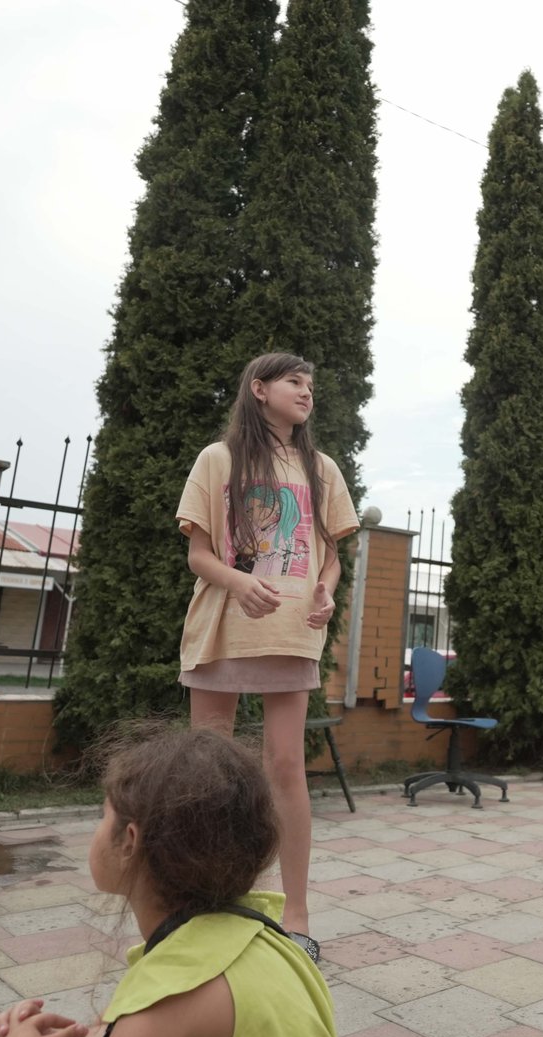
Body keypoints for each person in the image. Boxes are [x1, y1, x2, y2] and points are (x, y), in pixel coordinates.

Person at [0, 728, 341, 1037]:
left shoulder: (166, 990)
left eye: (103, 814)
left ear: (130, 841)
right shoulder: (270, 940)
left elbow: (151, 1026)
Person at [174, 353, 358, 962]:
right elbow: (199, 555)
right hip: (224, 629)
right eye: (294, 383)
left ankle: (297, 917)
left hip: (291, 632)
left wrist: (326, 585)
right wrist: (239, 582)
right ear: (259, 390)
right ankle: (206, 901)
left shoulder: (321, 467)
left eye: (311, 384)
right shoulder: (217, 459)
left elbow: (329, 554)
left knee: (285, 766)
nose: (307, 393)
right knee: (210, 768)